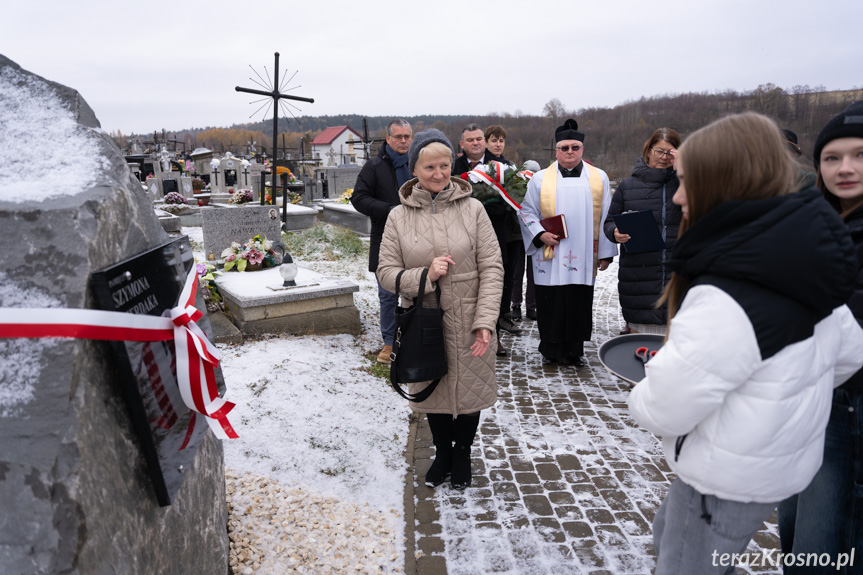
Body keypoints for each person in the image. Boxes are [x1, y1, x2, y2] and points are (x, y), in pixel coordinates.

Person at [627, 112, 863, 575]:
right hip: (770, 466)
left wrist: (643, 394)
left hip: (723, 472)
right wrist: (780, 399)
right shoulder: (801, 258)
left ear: (723, 183)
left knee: (686, 565)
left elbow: (667, 404)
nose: (677, 197)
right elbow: (848, 352)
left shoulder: (729, 290)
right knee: (676, 540)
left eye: (685, 183)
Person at [377, 129, 503, 490]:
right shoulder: (399, 217)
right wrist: (425, 275)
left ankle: (462, 453)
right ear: (414, 168)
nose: (438, 173)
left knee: (469, 392)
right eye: (429, 166)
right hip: (424, 319)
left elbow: (493, 267)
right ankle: (442, 453)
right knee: (433, 387)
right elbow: (386, 273)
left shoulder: (473, 208)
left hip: (469, 315)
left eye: (444, 165)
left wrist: (485, 321)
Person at [778, 101, 863, 574]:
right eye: (832, 157)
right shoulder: (817, 224)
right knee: (795, 533)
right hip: (806, 404)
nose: (845, 168)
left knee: (827, 544)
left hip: (850, 406)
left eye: (859, 155)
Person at [518, 119, 616, 366]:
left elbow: (606, 215)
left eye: (575, 147)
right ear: (556, 150)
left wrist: (605, 252)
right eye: (564, 148)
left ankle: (574, 350)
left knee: (578, 301)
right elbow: (526, 211)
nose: (569, 152)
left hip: (583, 253)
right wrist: (540, 234)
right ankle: (550, 350)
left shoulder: (599, 178)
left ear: (582, 149)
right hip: (551, 253)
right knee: (551, 301)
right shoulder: (540, 179)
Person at [603, 128, 683, 335]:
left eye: (670, 153)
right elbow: (609, 221)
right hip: (639, 270)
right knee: (640, 337)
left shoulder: (686, 184)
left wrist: (684, 169)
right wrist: (615, 233)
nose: (664, 158)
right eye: (659, 151)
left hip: (678, 268)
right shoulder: (628, 186)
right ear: (648, 151)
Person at [453, 124, 521, 354]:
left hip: (495, 232)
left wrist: (490, 207)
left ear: (485, 141)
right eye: (470, 140)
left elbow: (513, 200)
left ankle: (495, 336)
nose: (475, 143)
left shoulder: (501, 166)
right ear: (462, 144)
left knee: (494, 284)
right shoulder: (453, 167)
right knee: (467, 283)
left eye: (479, 139)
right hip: (461, 234)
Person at [351, 119, 412, 364]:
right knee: (388, 293)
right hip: (386, 237)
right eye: (398, 137)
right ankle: (389, 342)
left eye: (407, 136)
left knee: (415, 290)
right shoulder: (374, 166)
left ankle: (413, 337)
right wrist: (390, 209)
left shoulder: (416, 164)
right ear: (387, 139)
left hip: (418, 238)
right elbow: (359, 199)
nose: (403, 141)